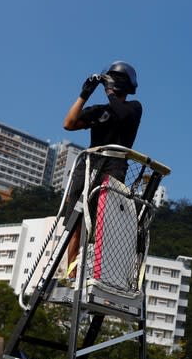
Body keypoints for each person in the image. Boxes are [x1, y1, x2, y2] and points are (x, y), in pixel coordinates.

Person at [61, 60, 142, 279]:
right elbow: (69, 123)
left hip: (114, 167)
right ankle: (72, 273)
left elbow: (123, 115)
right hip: (89, 165)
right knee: (76, 224)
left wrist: (109, 91)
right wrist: (84, 94)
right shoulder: (100, 111)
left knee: (103, 224)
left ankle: (100, 275)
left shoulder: (134, 108)